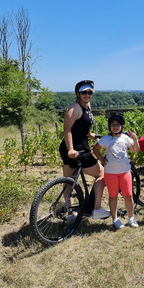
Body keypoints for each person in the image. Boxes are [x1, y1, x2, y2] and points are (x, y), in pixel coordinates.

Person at [59, 80, 110, 222]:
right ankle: (97, 209)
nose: (87, 95)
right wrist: (71, 149)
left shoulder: (87, 106)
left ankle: (71, 214)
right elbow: (67, 129)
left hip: (76, 147)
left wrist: (89, 134)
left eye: (90, 92)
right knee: (102, 174)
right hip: (76, 149)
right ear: (78, 94)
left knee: (70, 180)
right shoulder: (74, 108)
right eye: (84, 92)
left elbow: (81, 125)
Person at [93, 113, 140, 229]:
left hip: (125, 172)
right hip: (110, 173)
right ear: (109, 126)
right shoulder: (106, 139)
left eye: (118, 125)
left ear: (122, 126)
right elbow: (95, 149)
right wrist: (102, 159)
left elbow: (135, 150)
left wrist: (135, 139)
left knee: (128, 195)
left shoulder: (125, 138)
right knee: (113, 196)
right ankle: (115, 219)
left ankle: (131, 218)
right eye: (113, 125)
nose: (115, 127)